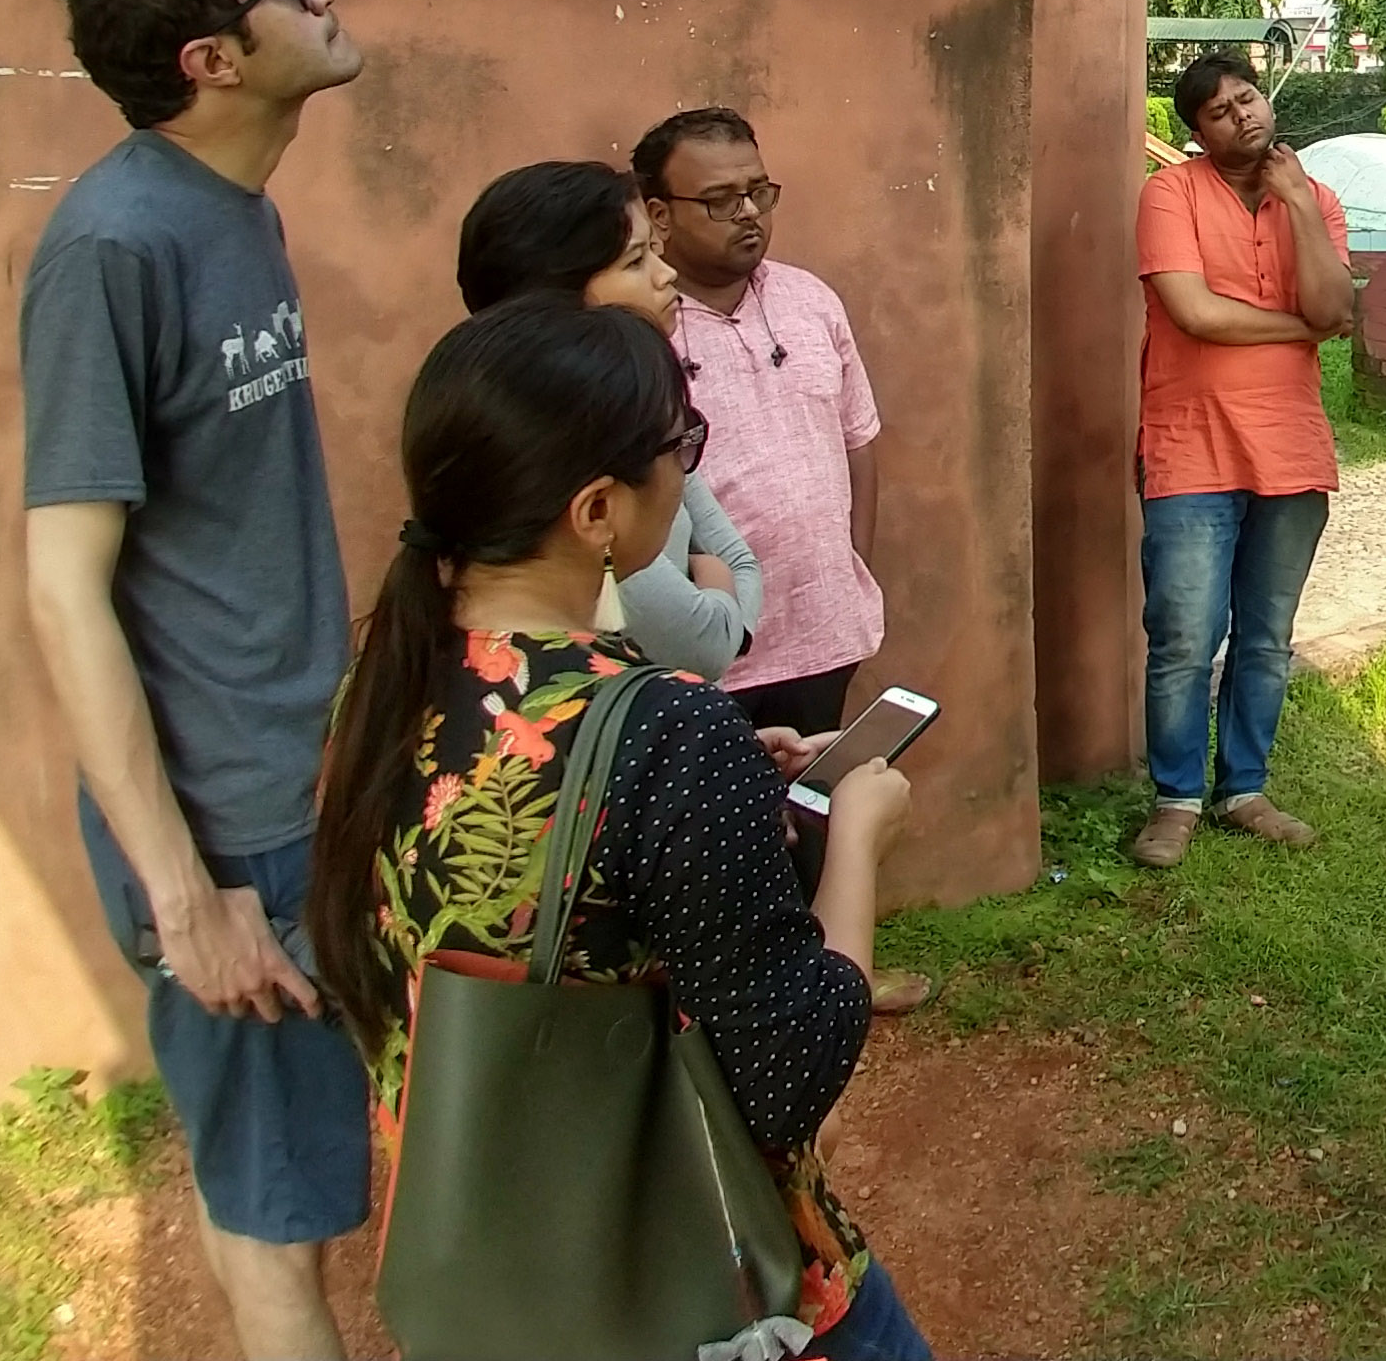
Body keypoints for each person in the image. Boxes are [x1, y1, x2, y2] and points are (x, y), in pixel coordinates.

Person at [305, 297, 933, 1359]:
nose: (688, 469)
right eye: (677, 444)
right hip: (700, 1285)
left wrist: (733, 784)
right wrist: (857, 843)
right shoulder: (669, 730)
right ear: (598, 511)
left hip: (493, 1267)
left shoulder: (383, 689)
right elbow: (791, 1075)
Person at [20, 0, 370, 1361]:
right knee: (276, 1207)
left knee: (327, 1176)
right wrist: (185, 894)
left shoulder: (240, 210)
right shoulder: (115, 249)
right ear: (212, 61)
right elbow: (64, 584)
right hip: (229, 830)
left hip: (306, 781)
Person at [1129, 51, 1354, 869]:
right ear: (1197, 131)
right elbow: (1193, 312)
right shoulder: (1169, 194)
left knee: (1266, 636)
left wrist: (1295, 202)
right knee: (1185, 634)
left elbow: (1337, 303)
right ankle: (1175, 799)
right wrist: (1301, 328)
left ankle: (1244, 789)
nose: (1242, 116)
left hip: (1291, 448)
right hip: (1190, 445)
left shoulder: (1315, 199)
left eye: (1247, 98)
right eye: (1219, 111)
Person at [456, 158, 766, 677]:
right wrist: (715, 591)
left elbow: (739, 559)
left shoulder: (640, 411)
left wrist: (717, 592)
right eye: (635, 261)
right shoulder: (563, 455)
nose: (667, 275)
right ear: (557, 296)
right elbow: (704, 645)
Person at [631, 107, 881, 739]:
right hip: (700, 652)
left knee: (809, 820)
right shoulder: (635, 328)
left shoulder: (812, 302)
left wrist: (847, 566)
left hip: (824, 638)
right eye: (719, 200)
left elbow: (857, 441)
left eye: (758, 192)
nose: (748, 212)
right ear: (659, 215)